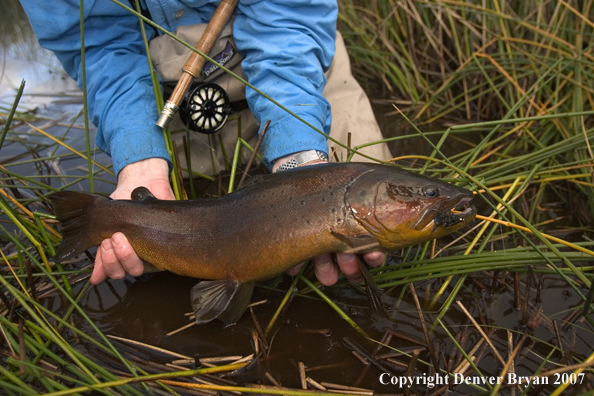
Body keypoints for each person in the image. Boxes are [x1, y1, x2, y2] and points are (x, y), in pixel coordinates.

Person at [21, 0, 392, 287]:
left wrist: (300, 158)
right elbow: (97, 44)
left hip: (299, 75)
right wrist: (139, 156)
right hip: (156, 103)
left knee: (384, 253)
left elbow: (288, 19)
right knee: (167, 262)